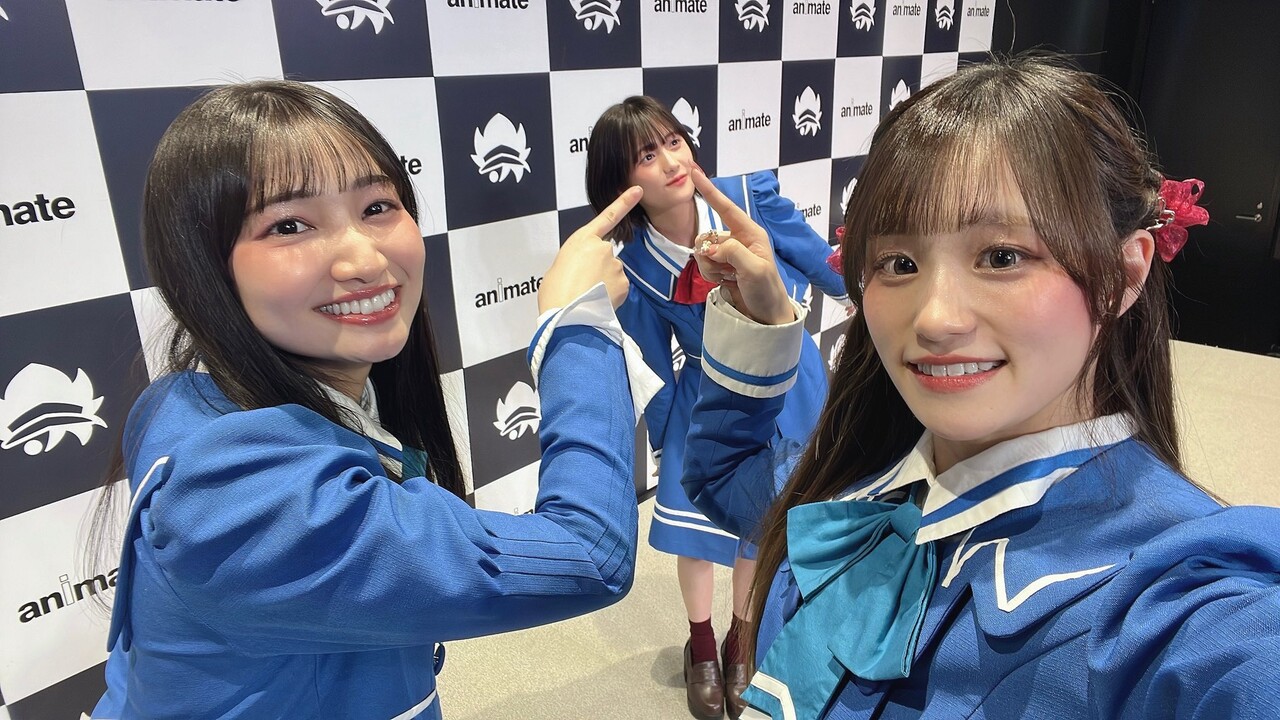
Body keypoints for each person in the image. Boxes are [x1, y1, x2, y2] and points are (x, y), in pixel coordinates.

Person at [679, 54, 1280, 719]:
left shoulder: (1179, 605)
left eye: (1001, 256)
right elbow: (725, 476)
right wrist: (763, 320)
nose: (935, 319)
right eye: (899, 262)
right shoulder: (864, 481)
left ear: (1124, 274)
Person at [87, 80, 654, 720]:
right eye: (289, 225)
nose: (363, 257)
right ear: (204, 267)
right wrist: (577, 326)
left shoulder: (192, 395)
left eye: (378, 206)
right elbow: (588, 554)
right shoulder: (241, 496)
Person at [586, 96, 848, 719]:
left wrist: (882, 286)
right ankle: (701, 644)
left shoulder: (747, 196)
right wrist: (666, 438)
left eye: (674, 141)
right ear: (622, 183)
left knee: (763, 521)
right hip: (709, 395)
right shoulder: (633, 267)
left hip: (787, 379)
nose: (670, 161)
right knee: (696, 532)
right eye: (646, 155)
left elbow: (823, 263)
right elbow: (654, 363)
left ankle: (741, 637)